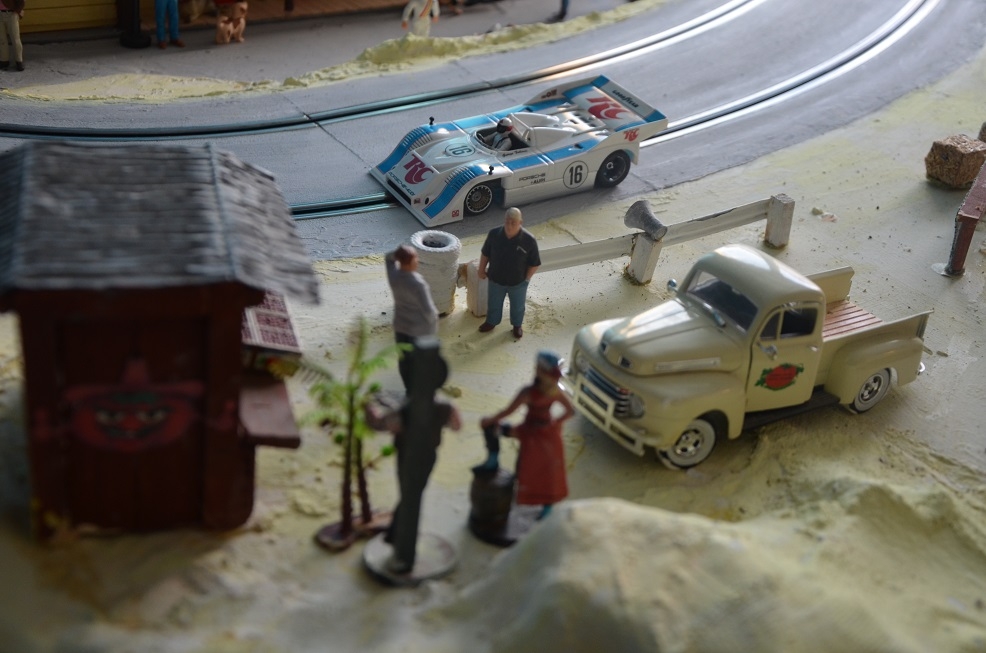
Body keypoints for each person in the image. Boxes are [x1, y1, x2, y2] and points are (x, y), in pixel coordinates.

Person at [374, 341, 461, 574]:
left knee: (410, 496)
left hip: (413, 455)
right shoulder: (441, 407)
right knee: (412, 495)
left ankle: (402, 550)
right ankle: (396, 536)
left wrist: (373, 413)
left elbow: (384, 424)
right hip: (424, 455)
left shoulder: (410, 409)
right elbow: (456, 425)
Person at [476, 351, 573, 520]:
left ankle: (493, 459)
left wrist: (490, 420)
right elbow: (570, 411)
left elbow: (508, 411)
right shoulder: (554, 391)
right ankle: (547, 506)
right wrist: (555, 423)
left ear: (541, 371)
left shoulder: (529, 392)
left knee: (493, 429)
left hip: (530, 432)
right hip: (546, 434)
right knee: (548, 471)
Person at [478, 207, 540, 339]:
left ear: (520, 222)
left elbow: (535, 263)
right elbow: (485, 254)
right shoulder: (494, 234)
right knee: (494, 303)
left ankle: (517, 325)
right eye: (507, 222)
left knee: (518, 306)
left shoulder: (529, 240)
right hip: (495, 279)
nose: (510, 226)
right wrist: (481, 270)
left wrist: (526, 279)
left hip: (518, 282)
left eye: (514, 223)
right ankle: (491, 322)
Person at [386, 244, 439, 391]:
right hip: (419, 330)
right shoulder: (418, 284)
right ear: (409, 262)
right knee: (420, 361)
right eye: (415, 258)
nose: (417, 261)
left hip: (400, 326)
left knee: (404, 360)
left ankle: (408, 388)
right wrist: (433, 330)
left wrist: (399, 253)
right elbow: (429, 311)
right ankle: (420, 390)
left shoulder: (394, 276)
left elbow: (388, 258)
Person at [0, 0, 24, 71]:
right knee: (2, 39)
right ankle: (4, 60)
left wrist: (18, 10)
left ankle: (19, 61)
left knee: (15, 38)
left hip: (11, 13)